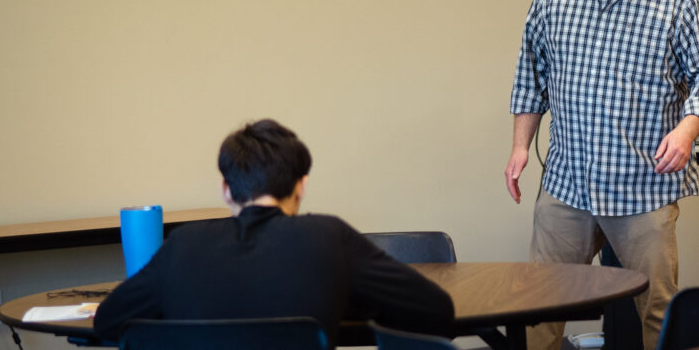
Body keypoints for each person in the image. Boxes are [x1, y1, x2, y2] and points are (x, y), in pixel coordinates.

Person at [505, 0, 699, 350]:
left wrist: (687, 131)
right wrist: (521, 146)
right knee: (538, 308)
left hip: (642, 188)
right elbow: (531, 70)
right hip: (568, 184)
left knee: (659, 313)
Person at [94, 119, 454, 343]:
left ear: (226, 190)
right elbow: (435, 310)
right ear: (301, 186)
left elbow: (108, 321)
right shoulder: (328, 237)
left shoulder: (183, 244)